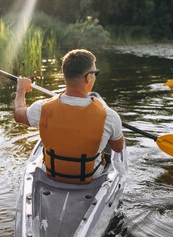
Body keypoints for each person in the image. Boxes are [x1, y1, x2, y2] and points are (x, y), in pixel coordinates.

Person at [14, 49, 125, 184]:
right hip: (90, 179)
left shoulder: (42, 108)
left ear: (64, 75)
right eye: (95, 73)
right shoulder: (109, 116)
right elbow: (118, 148)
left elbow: (18, 114)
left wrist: (20, 90)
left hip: (51, 175)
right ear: (88, 77)